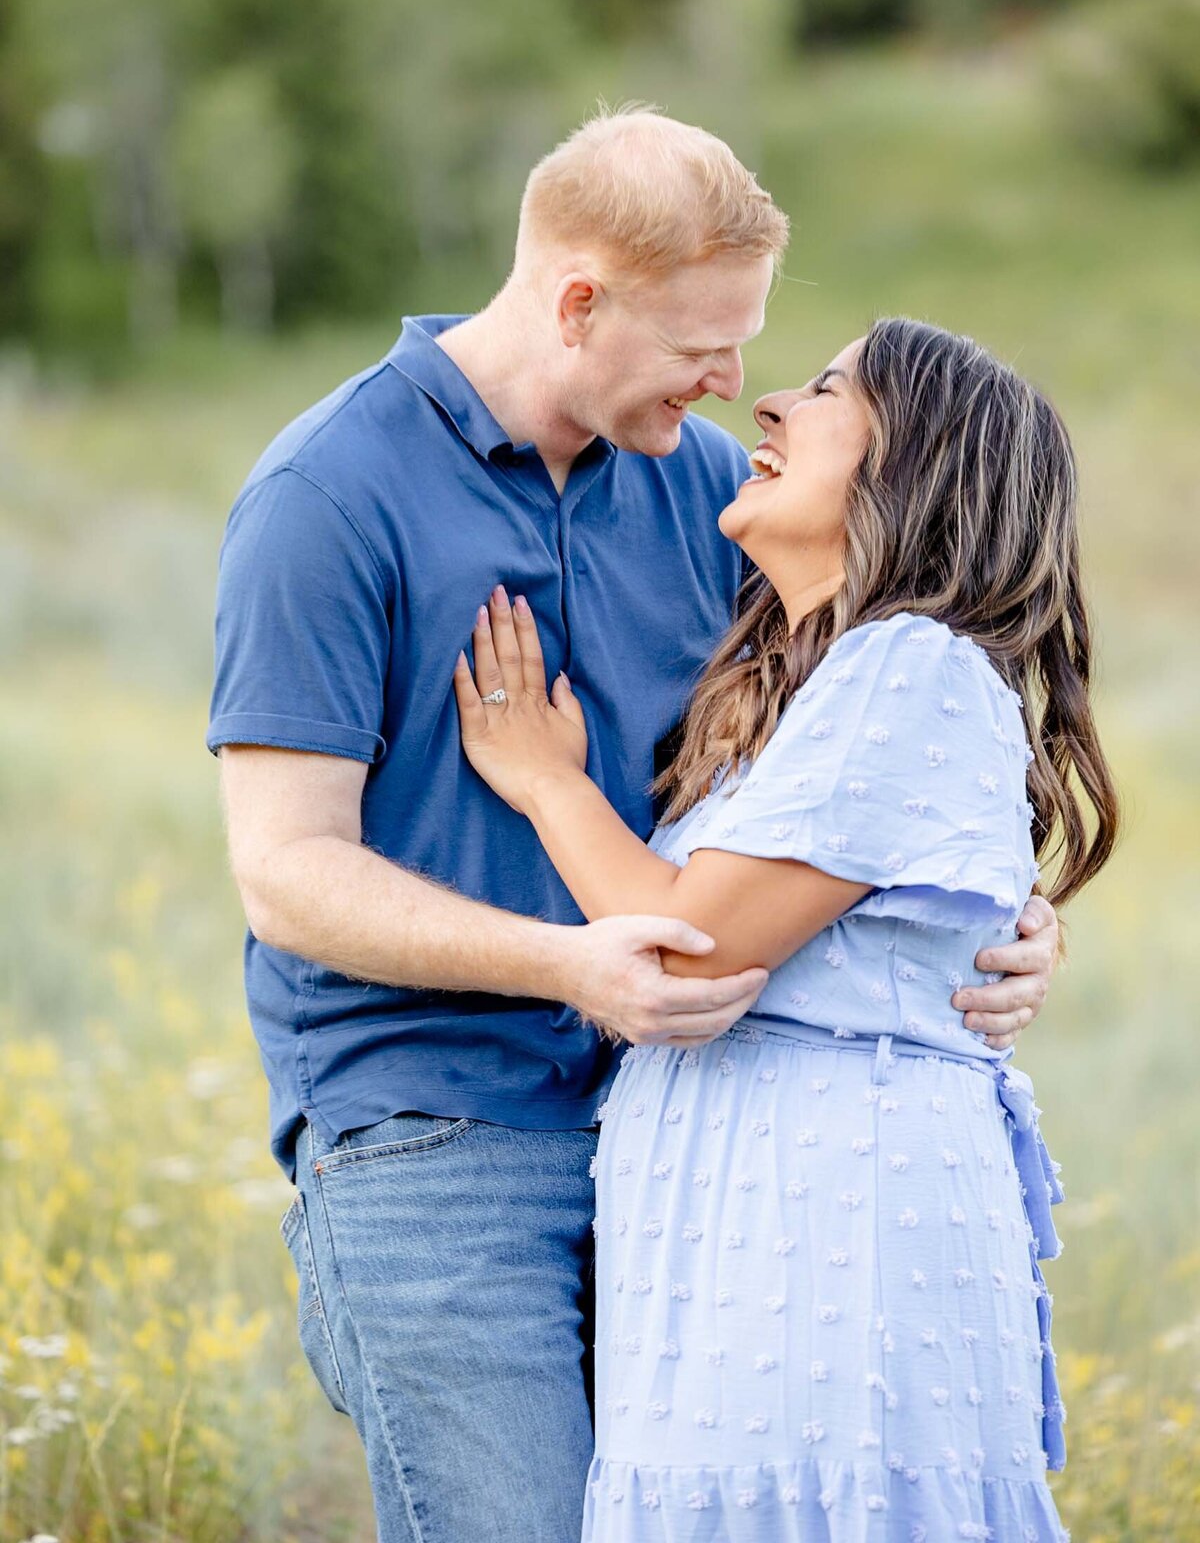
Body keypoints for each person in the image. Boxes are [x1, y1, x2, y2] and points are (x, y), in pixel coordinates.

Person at [208, 111, 1060, 1543]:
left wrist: (1005, 920)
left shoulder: (714, 496)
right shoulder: (328, 497)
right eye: (703, 347)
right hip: (438, 1134)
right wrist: (575, 967)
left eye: (749, 345)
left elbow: (855, 776)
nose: (737, 385)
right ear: (580, 299)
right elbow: (288, 877)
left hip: (687, 1149)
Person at [453, 316, 1118, 1542]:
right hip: (747, 1220)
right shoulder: (821, 685)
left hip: (833, 1229)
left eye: (824, 390)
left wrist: (548, 782)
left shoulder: (909, 666)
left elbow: (681, 938)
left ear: (914, 463)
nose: (768, 408)